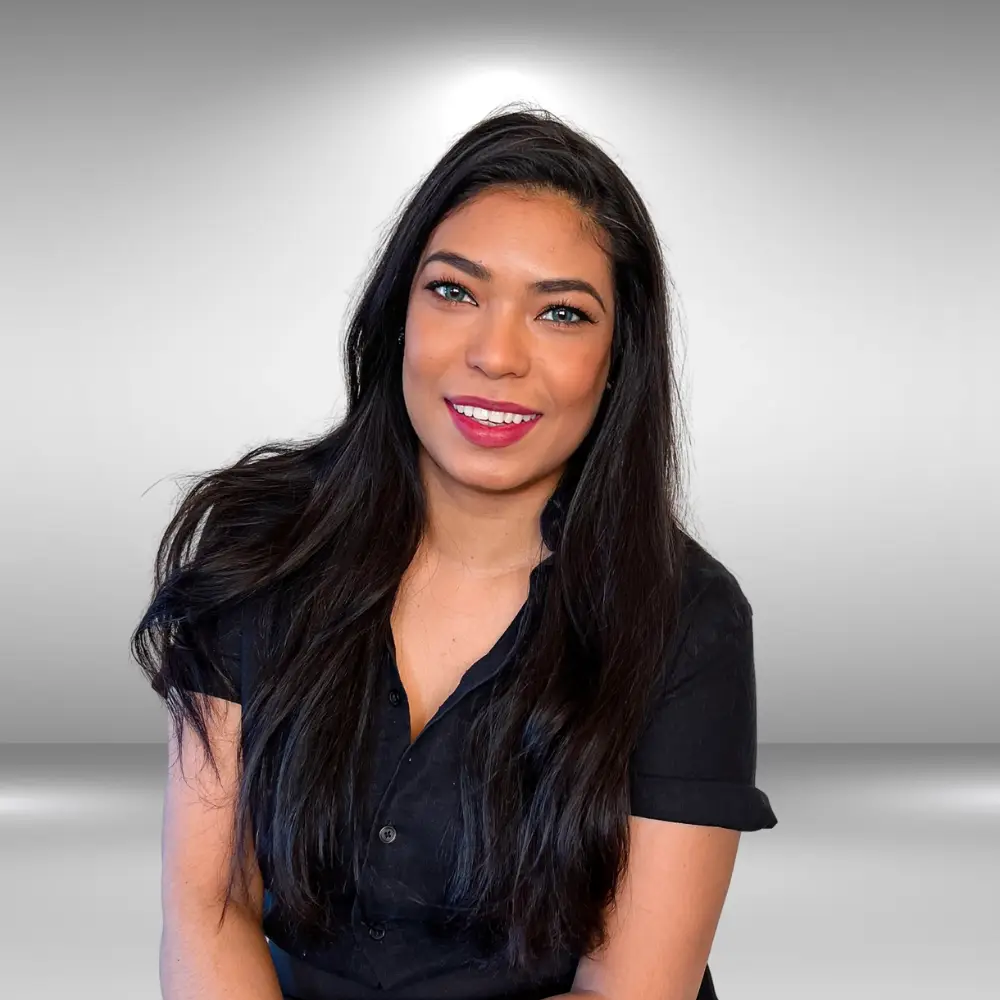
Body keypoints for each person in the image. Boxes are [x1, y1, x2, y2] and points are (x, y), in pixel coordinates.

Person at [133, 104, 777, 1000]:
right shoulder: (260, 542)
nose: (495, 355)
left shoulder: (686, 620)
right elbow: (211, 908)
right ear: (398, 311)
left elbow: (628, 990)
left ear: (616, 360)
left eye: (560, 312)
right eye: (455, 292)